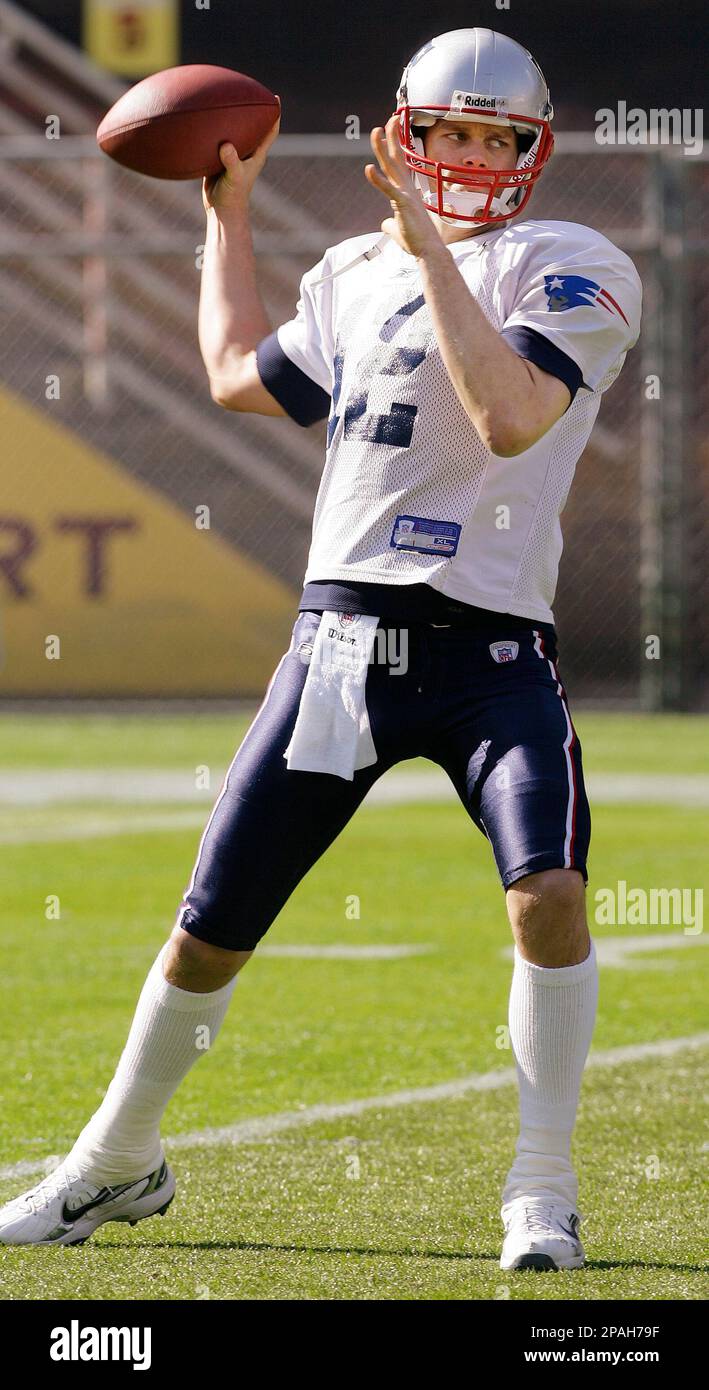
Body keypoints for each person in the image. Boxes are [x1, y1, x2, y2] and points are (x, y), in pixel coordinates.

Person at [0, 28, 641, 1272]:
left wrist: (430, 257)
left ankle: (541, 1187)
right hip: (339, 642)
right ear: (406, 133)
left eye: (493, 138)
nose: (467, 156)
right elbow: (241, 376)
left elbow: (509, 418)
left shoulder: (571, 262)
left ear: (529, 152)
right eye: (447, 133)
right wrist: (229, 219)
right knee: (209, 927)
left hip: (489, 652)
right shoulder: (351, 268)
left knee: (549, 891)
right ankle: (114, 1164)